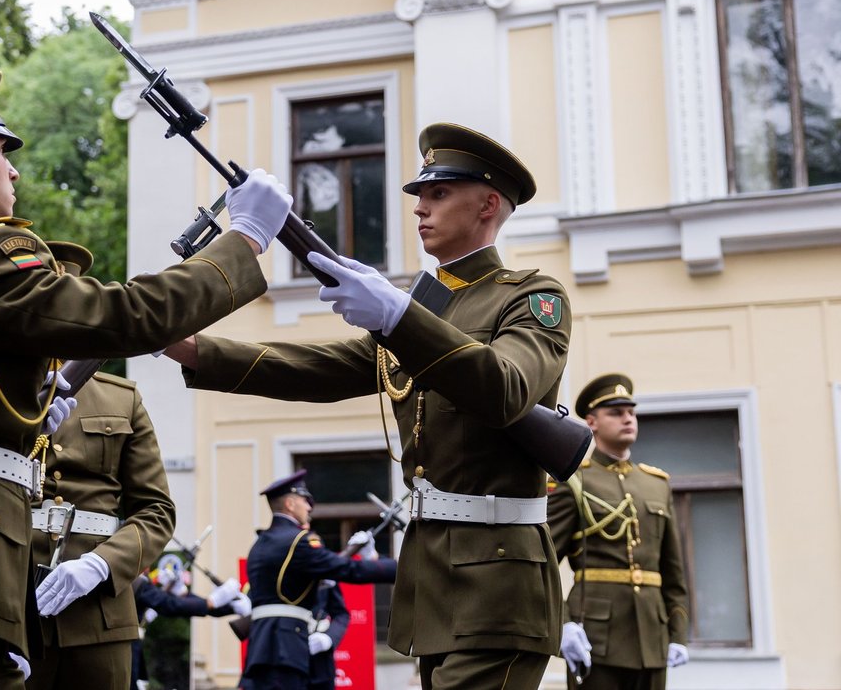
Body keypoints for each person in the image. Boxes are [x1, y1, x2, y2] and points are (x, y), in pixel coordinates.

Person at [0, 68, 293, 690]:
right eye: (4, 151)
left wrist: (13, 422)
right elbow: (121, 318)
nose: (14, 171)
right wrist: (244, 241)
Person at [165, 123, 571, 689]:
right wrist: (192, 349)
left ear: (488, 204)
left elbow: (505, 388)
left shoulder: (531, 297)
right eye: (419, 196)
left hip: (500, 582)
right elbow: (318, 368)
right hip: (433, 581)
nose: (419, 208)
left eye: (438, 194)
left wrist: (399, 318)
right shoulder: (422, 306)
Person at [23, 242, 192, 690]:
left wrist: (100, 565)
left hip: (99, 612)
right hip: (9, 604)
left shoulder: (122, 397)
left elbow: (156, 512)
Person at [546, 374, 690, 689]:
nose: (628, 418)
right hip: (596, 639)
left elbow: (673, 572)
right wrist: (563, 625)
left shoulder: (656, 484)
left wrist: (678, 633)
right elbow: (542, 564)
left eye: (631, 412)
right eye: (616, 412)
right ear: (592, 422)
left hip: (653, 637)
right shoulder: (573, 481)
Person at [238, 471, 395, 690]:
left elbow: (288, 586)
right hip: (286, 647)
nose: (310, 508)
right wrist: (394, 566)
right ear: (291, 504)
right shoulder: (297, 542)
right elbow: (348, 569)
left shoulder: (260, 544)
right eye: (305, 501)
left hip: (263, 645)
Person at [131, 562, 249, 690]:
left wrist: (227, 607)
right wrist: (213, 600)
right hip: (127, 650)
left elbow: (178, 602)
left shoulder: (137, 580)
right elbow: (170, 604)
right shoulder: (135, 580)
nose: (148, 567)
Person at [306, 579, 350, 690]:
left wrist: (328, 638)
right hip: (286, 653)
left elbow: (341, 613)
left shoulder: (323, 567)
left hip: (320, 658)